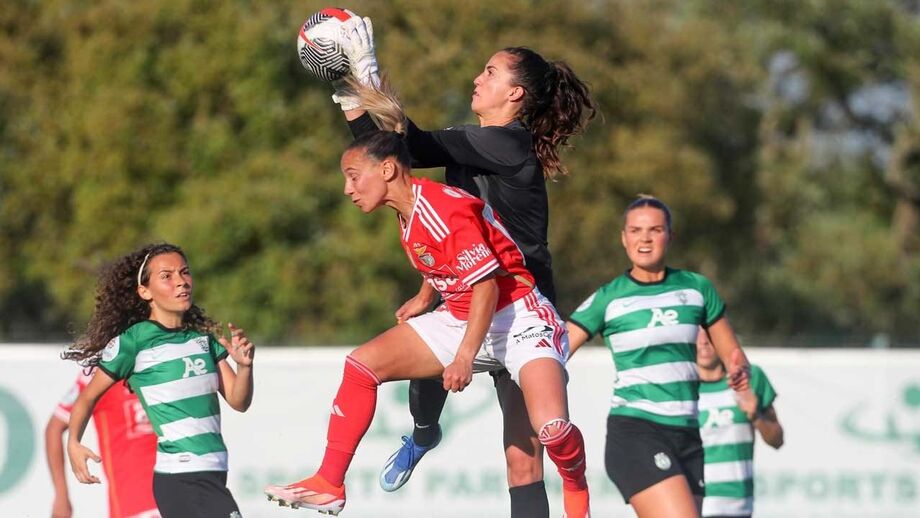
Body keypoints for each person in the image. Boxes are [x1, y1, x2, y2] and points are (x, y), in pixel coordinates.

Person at [329, 13, 596, 517]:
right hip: (471, 292)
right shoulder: (479, 143)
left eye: (490, 72)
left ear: (515, 94)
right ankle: (423, 434)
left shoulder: (506, 142)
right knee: (426, 348)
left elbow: (407, 149)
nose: (477, 78)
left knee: (523, 462)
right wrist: (353, 101)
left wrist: (366, 73)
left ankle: (428, 434)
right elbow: (409, 181)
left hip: (520, 307)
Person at [264, 131, 590, 517]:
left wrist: (464, 357)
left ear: (387, 170)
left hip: (519, 317)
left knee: (552, 428)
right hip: (460, 315)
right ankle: (329, 483)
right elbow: (443, 256)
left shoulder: (442, 208)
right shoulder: (408, 209)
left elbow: (486, 286)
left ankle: (576, 488)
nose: (348, 189)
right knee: (361, 366)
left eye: (353, 176)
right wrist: (424, 297)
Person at [565, 195, 751, 518]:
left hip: (687, 434)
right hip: (637, 431)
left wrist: (739, 371)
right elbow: (556, 349)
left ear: (670, 236)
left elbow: (733, 354)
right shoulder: (609, 298)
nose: (645, 238)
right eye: (636, 231)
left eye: (655, 230)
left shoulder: (696, 289)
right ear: (624, 238)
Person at [62, 243, 255, 518]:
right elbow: (87, 397)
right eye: (167, 276)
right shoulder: (135, 341)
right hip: (182, 476)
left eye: (184, 272)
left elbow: (239, 401)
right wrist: (73, 443)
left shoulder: (203, 340)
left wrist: (245, 367)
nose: (181, 281)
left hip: (212, 472)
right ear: (145, 291)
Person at [46, 368, 159, 518]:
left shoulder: (163, 361)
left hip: (177, 488)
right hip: (132, 502)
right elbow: (54, 428)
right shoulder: (99, 372)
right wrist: (61, 496)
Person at [697, 328, 783, 518]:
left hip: (738, 506)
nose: (703, 341)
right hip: (695, 504)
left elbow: (777, 439)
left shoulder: (751, 378)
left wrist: (756, 416)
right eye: (696, 333)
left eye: (709, 333)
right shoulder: (679, 385)